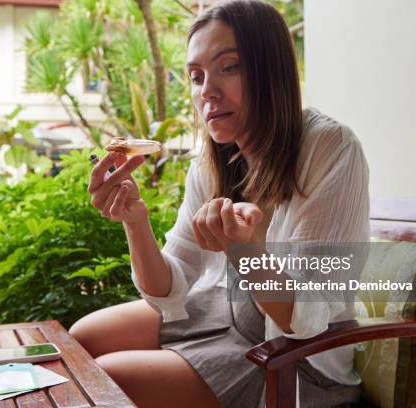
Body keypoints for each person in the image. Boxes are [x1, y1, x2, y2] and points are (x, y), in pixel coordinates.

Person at [74, 1, 369, 407]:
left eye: (228, 67)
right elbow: (168, 288)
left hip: (291, 359)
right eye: (196, 76)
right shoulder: (212, 160)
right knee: (82, 340)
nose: (207, 91)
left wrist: (245, 251)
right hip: (221, 315)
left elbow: (306, 317)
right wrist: (135, 222)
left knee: (106, 379)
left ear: (272, 71)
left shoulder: (329, 148)